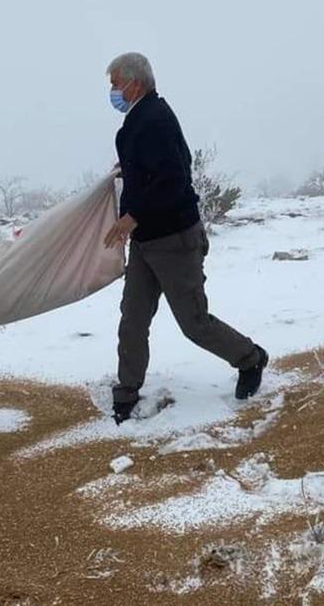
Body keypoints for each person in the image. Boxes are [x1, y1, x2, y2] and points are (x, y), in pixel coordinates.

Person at [102, 52, 268, 425]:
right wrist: (128, 170)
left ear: (135, 84)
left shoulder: (156, 118)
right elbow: (156, 166)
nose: (113, 92)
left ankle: (250, 358)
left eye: (115, 84)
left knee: (194, 323)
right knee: (133, 318)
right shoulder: (141, 118)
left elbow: (175, 177)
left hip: (175, 240)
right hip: (145, 242)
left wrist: (132, 215)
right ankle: (127, 391)